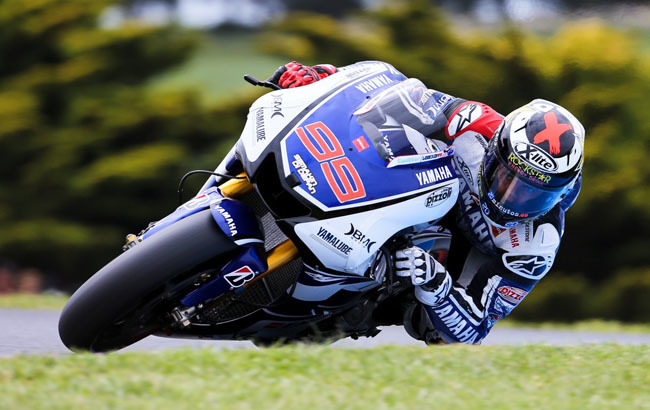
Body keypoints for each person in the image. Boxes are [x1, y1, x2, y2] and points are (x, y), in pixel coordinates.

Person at [267, 61, 585, 344]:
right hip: (434, 192)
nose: (512, 199)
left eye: (535, 194)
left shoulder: (537, 245)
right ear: (494, 150)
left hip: (463, 257)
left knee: (440, 337)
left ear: (560, 193)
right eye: (507, 178)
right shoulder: (478, 122)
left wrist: (437, 284)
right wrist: (323, 78)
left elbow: (475, 329)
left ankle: (357, 307)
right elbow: (399, 94)